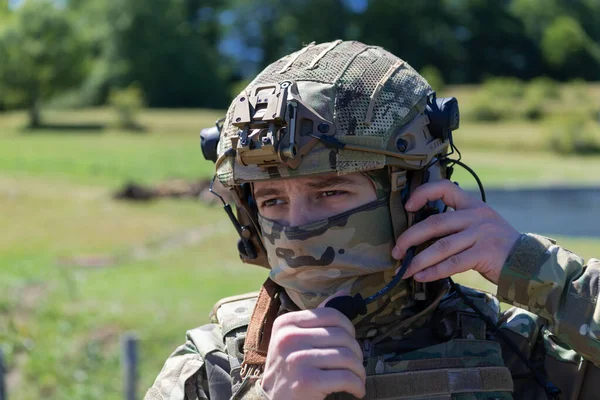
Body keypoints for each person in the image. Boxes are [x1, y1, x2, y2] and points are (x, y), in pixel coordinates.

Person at [145, 41, 600, 400]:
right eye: (271, 200)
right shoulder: (217, 365)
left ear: (417, 198)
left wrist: (540, 273)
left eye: (330, 193)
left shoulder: (520, 348)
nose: (297, 228)